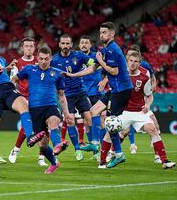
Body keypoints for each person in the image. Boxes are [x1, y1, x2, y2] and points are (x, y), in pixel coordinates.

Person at [0, 33, 46, 174]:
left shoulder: (0, 58)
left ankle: (30, 136)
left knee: (23, 103)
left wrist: (6, 67)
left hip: (7, 88)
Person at [63, 22, 133, 169]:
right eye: (100, 32)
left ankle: (119, 154)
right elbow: (92, 68)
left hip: (121, 90)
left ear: (112, 34)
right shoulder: (105, 49)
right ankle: (95, 144)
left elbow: (114, 72)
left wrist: (100, 61)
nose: (102, 35)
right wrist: (72, 75)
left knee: (110, 122)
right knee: (93, 111)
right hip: (114, 90)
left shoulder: (112, 49)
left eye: (105, 32)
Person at [11, 46, 73, 173]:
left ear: (50, 58)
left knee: (53, 122)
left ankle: (58, 145)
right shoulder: (29, 69)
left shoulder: (57, 73)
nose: (43, 61)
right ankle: (54, 162)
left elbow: (61, 96)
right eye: (41, 59)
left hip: (51, 106)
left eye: (46, 59)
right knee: (43, 145)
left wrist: (66, 113)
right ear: (37, 58)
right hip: (34, 110)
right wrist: (13, 92)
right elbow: (14, 79)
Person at [118, 52, 175, 169]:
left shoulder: (144, 76)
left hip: (140, 111)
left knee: (153, 129)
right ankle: (108, 156)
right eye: (130, 60)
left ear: (139, 63)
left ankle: (163, 160)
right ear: (127, 60)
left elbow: (149, 95)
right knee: (115, 132)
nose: (132, 63)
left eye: (135, 61)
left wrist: (148, 105)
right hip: (124, 110)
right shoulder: (121, 74)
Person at [51, 34, 95, 161]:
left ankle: (94, 146)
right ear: (59, 45)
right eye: (63, 43)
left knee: (89, 117)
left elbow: (93, 63)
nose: (65, 46)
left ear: (71, 45)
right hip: (66, 95)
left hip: (80, 92)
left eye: (67, 44)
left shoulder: (79, 55)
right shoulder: (54, 60)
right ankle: (77, 149)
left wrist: (96, 63)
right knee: (70, 121)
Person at [8, 37, 48, 166]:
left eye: (31, 46)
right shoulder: (17, 64)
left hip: (40, 98)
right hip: (25, 98)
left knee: (44, 126)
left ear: (34, 48)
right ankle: (16, 149)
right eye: (26, 46)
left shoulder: (40, 61)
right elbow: (12, 81)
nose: (29, 48)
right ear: (22, 48)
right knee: (29, 124)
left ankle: (41, 157)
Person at [78, 35, 106, 154]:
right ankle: (95, 150)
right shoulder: (76, 58)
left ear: (90, 45)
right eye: (82, 42)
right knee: (87, 123)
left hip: (97, 92)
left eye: (86, 42)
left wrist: (104, 81)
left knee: (101, 121)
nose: (84, 44)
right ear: (79, 45)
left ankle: (105, 149)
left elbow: (109, 69)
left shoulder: (96, 56)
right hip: (83, 93)